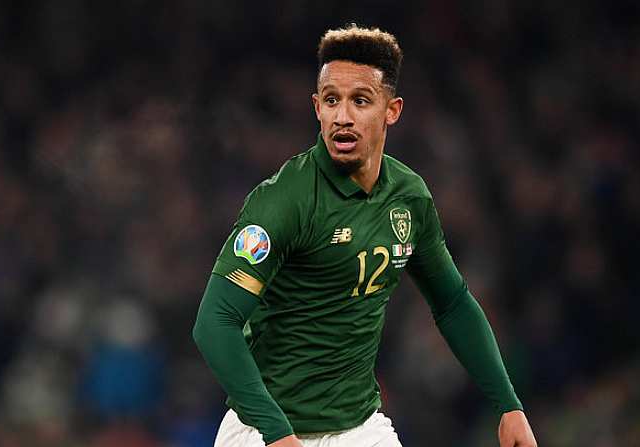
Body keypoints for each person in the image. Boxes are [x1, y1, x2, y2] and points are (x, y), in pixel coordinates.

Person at [193, 24, 537, 447]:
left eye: (360, 101)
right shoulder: (283, 201)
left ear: (391, 110)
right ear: (316, 107)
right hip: (262, 431)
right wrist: (277, 433)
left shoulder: (408, 198)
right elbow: (214, 322)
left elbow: (452, 302)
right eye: (332, 101)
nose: (343, 116)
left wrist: (508, 405)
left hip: (361, 429)